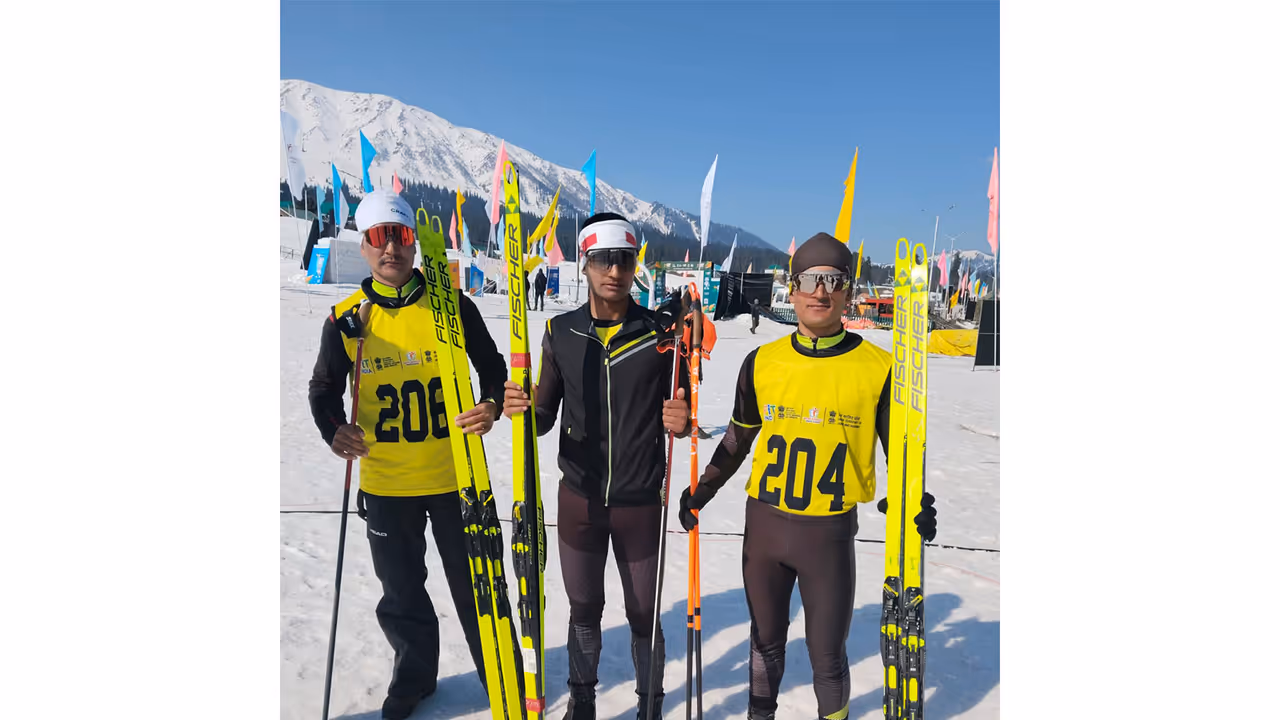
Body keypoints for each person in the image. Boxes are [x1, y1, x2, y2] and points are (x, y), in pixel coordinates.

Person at [675, 233, 938, 720]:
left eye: (834, 281)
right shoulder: (762, 362)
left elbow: (901, 454)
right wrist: (703, 490)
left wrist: (912, 499)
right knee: (765, 644)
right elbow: (737, 438)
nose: (822, 291)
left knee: (827, 657)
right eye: (811, 280)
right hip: (766, 530)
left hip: (829, 536)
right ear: (792, 289)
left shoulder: (880, 369)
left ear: (848, 292)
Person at [307, 189, 514, 720]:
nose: (390, 249)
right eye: (378, 238)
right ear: (364, 245)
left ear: (414, 243)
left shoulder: (450, 304)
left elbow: (492, 366)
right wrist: (335, 430)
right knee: (401, 595)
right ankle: (415, 676)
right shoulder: (347, 317)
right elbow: (323, 391)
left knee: (478, 588)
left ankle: (503, 676)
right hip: (386, 484)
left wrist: (491, 404)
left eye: (399, 236)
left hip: (455, 477)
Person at [503, 212, 692, 720]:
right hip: (579, 500)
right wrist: (521, 407)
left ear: (636, 267)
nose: (614, 270)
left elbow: (682, 411)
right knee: (584, 610)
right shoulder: (560, 332)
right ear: (585, 264)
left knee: (643, 614)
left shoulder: (659, 334)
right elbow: (543, 417)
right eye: (604, 260)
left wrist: (681, 417)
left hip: (638, 502)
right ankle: (581, 703)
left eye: (625, 260)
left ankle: (649, 706)